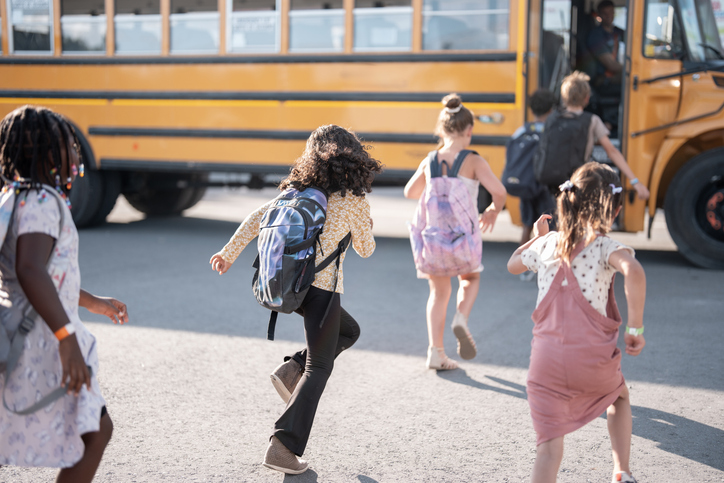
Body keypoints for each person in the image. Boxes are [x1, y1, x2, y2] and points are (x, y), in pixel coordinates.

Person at [209, 125, 381, 475]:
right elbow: (366, 249)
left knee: (349, 331)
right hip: (322, 291)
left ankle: (291, 371)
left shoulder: (297, 190)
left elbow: (256, 219)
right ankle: (283, 446)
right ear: (352, 157)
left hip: (293, 286)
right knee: (320, 368)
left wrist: (228, 253)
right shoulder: (352, 200)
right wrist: (367, 223)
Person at [0, 105, 129, 482]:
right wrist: (66, 338)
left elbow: (48, 277)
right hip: (42, 339)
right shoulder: (42, 201)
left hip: (21, 332)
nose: (76, 152)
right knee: (96, 433)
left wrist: (93, 302)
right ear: (50, 152)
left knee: (93, 431)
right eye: (70, 145)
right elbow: (30, 269)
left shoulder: (13, 196)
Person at [507, 162, 646, 483]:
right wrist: (635, 328)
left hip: (545, 366)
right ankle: (622, 471)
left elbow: (513, 264)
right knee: (619, 397)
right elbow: (634, 271)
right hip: (592, 361)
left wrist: (536, 239)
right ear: (615, 211)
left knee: (549, 450)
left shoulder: (547, 243)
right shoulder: (605, 247)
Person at [404, 94, 506, 370]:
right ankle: (461, 318)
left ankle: (435, 352)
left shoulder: (430, 160)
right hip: (464, 239)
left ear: (441, 130)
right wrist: (493, 210)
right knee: (469, 279)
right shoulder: (473, 161)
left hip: (434, 240)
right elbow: (499, 192)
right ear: (469, 131)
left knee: (438, 293)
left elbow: (410, 192)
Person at [560, 71, 650, 201]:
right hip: (578, 180)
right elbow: (612, 151)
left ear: (564, 97)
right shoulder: (592, 120)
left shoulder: (554, 118)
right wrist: (635, 181)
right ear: (587, 98)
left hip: (555, 181)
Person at [587, 0, 625, 97]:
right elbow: (611, 65)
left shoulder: (616, 31)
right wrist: (632, 68)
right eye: (605, 13)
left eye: (611, 12)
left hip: (615, 75)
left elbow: (636, 39)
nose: (609, 16)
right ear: (598, 15)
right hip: (604, 80)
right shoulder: (596, 36)